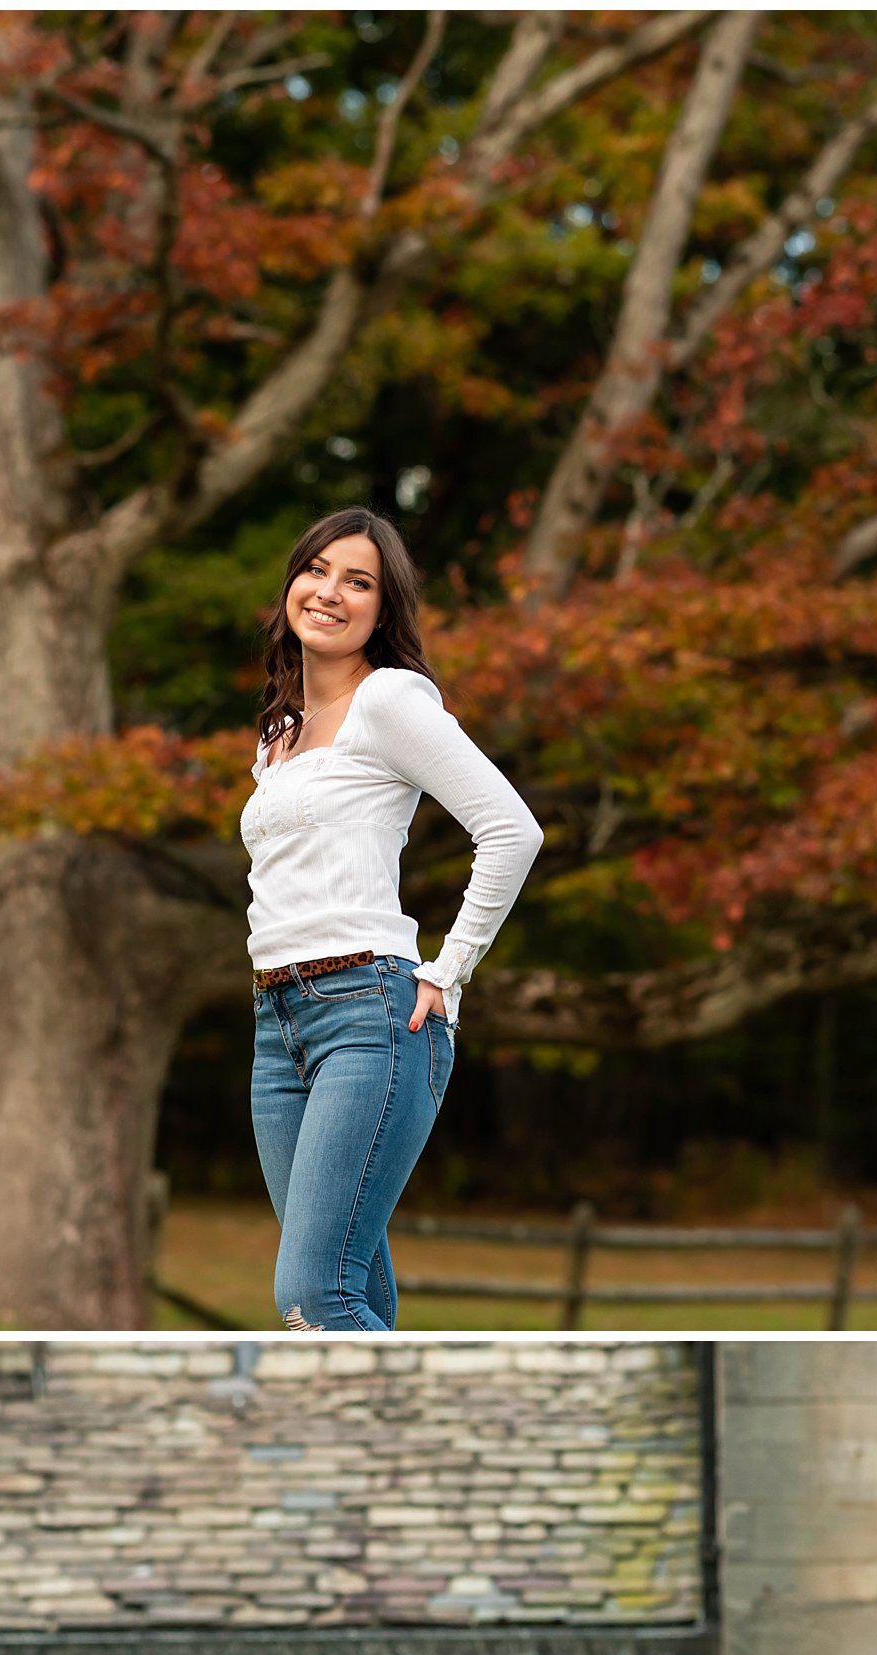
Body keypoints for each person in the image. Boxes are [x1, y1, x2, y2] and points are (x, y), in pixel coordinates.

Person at [243, 506, 544, 1330]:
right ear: (291, 585)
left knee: (312, 1294)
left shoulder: (391, 701)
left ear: (385, 609)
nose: (331, 591)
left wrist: (449, 969)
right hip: (279, 1025)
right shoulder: (278, 731)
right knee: (354, 1291)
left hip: (367, 1015)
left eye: (360, 581)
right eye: (317, 570)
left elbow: (512, 829)